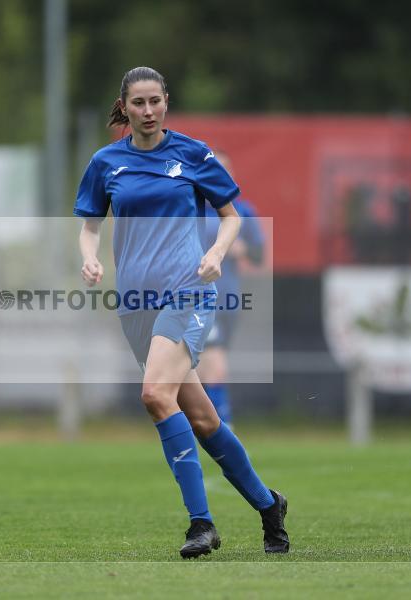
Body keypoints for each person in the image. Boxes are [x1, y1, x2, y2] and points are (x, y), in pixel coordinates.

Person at [74, 66, 289, 558]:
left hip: (188, 292)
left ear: (166, 102)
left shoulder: (193, 154)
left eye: (155, 101)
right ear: (124, 107)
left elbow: (231, 217)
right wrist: (89, 257)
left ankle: (201, 523)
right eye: (138, 103)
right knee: (203, 419)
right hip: (135, 304)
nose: (148, 111)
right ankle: (268, 504)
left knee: (154, 394)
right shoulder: (106, 162)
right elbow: (90, 225)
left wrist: (215, 253)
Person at [197, 150, 265, 426]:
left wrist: (243, 249)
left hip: (227, 300)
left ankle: (212, 427)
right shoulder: (192, 210)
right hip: (197, 299)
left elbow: (259, 255)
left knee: (209, 365)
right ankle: (218, 428)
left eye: (225, 170)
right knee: (209, 366)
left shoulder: (242, 212)